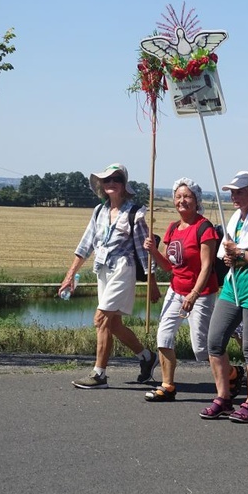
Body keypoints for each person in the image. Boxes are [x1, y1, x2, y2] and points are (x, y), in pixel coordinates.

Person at [59, 163, 160, 389]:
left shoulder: (134, 213)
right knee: (113, 324)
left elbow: (145, 251)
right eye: (107, 180)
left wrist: (152, 283)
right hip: (103, 269)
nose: (112, 183)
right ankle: (146, 357)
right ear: (102, 186)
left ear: (124, 185)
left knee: (100, 319)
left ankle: (99, 374)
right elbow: (85, 245)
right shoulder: (99, 211)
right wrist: (69, 276)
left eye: (117, 179)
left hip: (124, 270)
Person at [199, 171, 248, 423]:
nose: (234, 195)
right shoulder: (234, 219)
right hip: (232, 288)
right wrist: (230, 256)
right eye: (232, 191)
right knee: (214, 341)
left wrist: (240, 253)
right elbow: (227, 254)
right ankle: (223, 398)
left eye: (240, 190)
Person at [142, 178, 219, 402]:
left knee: (201, 349)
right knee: (164, 337)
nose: (181, 201)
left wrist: (194, 295)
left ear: (196, 201)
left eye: (187, 197)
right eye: (178, 196)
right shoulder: (173, 228)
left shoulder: (204, 228)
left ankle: (232, 374)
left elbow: (207, 266)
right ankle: (167, 386)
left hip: (201, 294)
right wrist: (154, 252)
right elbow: (169, 266)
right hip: (176, 290)